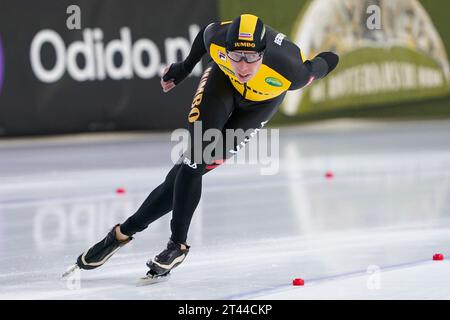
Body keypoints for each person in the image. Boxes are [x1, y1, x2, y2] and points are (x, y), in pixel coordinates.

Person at [70, 14, 339, 280]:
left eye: (251, 59)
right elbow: (205, 34)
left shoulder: (291, 72)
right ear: (226, 50)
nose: (243, 67)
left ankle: (121, 234)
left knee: (182, 175)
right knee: (195, 159)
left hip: (258, 107)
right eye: (236, 56)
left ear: (264, 53)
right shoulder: (218, 40)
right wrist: (183, 69)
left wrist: (331, 54)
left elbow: (323, 63)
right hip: (221, 84)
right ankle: (177, 246)